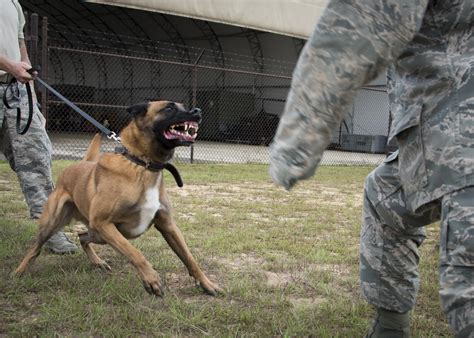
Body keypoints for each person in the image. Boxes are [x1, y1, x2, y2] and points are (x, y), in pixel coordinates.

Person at [269, 0, 473, 337]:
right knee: (385, 198)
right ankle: (390, 327)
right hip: (441, 140)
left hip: (461, 136)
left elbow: (354, 29)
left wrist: (295, 145)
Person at [0, 0, 77, 254]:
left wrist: (30, 90)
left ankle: (51, 230)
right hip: (7, 75)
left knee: (37, 158)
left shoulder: (12, 2)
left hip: (17, 91)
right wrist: (9, 65)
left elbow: (20, 44)